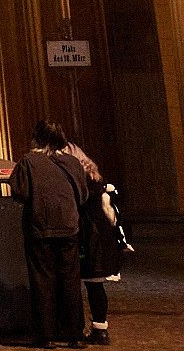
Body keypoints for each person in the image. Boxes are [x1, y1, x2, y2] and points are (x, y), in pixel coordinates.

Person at [10, 121, 87, 348]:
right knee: (70, 279)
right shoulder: (72, 162)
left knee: (42, 280)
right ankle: (74, 334)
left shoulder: (28, 161)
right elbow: (82, 195)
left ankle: (46, 334)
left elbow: (19, 192)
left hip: (39, 228)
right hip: (68, 226)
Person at [64, 142, 128, 346]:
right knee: (96, 286)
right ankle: (100, 329)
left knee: (78, 284)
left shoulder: (77, 180)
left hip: (86, 238)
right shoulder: (97, 179)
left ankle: (77, 329)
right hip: (102, 238)